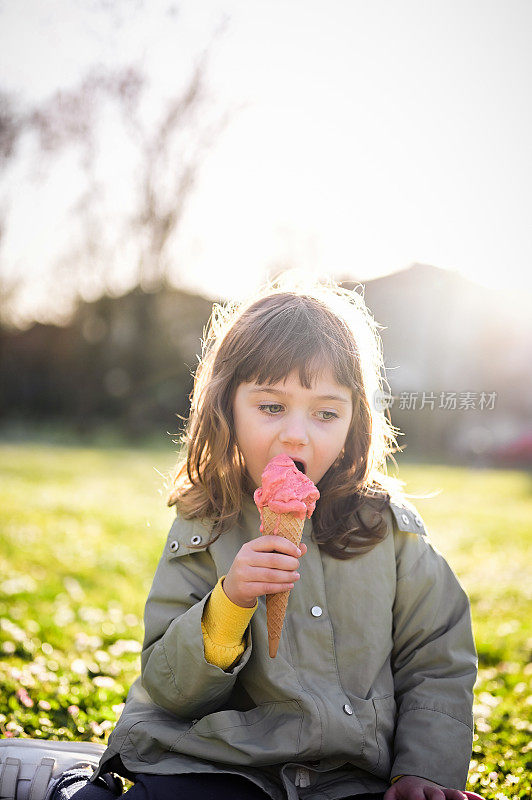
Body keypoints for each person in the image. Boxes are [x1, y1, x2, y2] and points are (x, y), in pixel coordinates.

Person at [51, 275, 480, 800]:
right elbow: (167, 685)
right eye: (271, 407)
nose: (297, 433)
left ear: (355, 422)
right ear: (226, 409)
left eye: (326, 412)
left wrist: (425, 768)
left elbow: (437, 656)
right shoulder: (204, 525)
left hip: (350, 774)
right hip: (220, 761)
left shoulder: (389, 530)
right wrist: (229, 604)